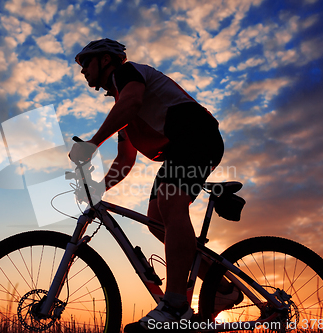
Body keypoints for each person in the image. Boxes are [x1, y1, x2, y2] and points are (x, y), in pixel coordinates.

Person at [69, 38, 242, 332]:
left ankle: (175, 305)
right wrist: (97, 188)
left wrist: (92, 144)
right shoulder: (123, 107)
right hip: (181, 148)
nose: (83, 70)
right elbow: (124, 161)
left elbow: (133, 102)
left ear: (106, 60)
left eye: (86, 63)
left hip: (197, 136)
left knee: (170, 201)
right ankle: (222, 290)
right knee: (155, 221)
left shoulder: (127, 75)